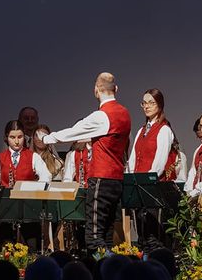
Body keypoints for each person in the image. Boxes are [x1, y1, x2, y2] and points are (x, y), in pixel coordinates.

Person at [39, 73, 133, 251]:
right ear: (116, 89)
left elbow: (74, 132)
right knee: (106, 235)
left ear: (96, 90)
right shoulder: (125, 113)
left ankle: (102, 269)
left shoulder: (102, 116)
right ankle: (107, 273)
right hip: (117, 180)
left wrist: (46, 139)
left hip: (101, 179)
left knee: (93, 238)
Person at [0, 120, 52, 248]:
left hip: (29, 211)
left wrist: (32, 190)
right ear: (6, 138)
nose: (16, 141)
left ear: (24, 137)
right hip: (6, 211)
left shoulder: (33, 157)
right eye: (12, 137)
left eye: (20, 137)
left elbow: (46, 177)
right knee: (7, 248)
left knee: (32, 247)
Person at [128, 88, 177, 252]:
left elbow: (160, 162)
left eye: (151, 102)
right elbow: (133, 158)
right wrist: (130, 181)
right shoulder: (141, 131)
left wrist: (145, 182)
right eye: (144, 103)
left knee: (153, 236)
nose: (147, 106)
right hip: (138, 188)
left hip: (152, 189)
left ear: (159, 105)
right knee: (141, 234)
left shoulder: (164, 130)